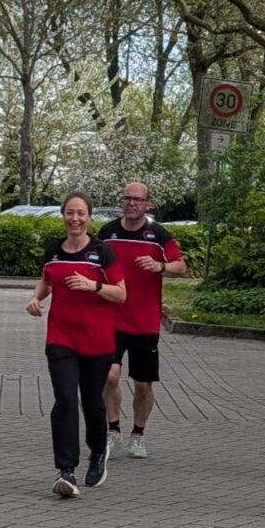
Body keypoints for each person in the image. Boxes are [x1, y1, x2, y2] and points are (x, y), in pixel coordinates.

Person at [27, 192, 126, 497]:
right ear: (63, 216)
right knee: (66, 399)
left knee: (92, 404)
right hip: (61, 338)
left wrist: (93, 286)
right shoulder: (54, 250)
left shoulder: (102, 252)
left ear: (89, 217)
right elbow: (47, 280)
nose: (75, 219)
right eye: (70, 213)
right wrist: (35, 298)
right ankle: (66, 470)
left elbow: (121, 294)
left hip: (96, 340)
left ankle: (97, 452)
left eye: (81, 213)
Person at [98, 181, 186, 459]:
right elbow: (94, 265)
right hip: (111, 318)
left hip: (144, 322)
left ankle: (137, 435)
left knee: (143, 384)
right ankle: (113, 430)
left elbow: (181, 266)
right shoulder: (107, 232)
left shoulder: (158, 235)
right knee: (109, 375)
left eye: (138, 199)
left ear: (148, 204)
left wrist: (160, 266)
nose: (132, 203)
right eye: (127, 198)